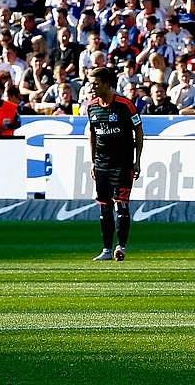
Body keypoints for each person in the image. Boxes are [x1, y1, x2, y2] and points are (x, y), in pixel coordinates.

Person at [86, 66, 144, 262]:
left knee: (122, 206)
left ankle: (121, 247)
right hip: (101, 164)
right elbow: (92, 134)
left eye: (95, 83)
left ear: (106, 83)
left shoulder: (125, 105)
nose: (91, 87)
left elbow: (139, 130)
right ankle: (106, 250)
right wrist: (93, 162)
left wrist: (137, 161)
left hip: (122, 164)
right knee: (104, 207)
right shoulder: (91, 106)